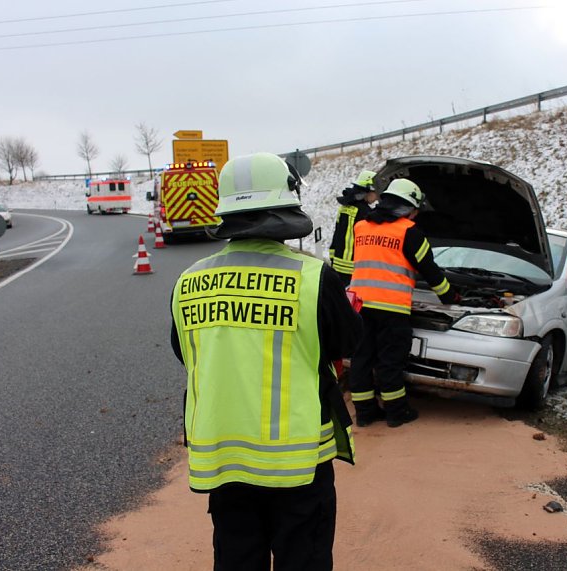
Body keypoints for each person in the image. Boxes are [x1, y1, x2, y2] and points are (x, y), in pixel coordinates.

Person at [170, 152, 362, 571]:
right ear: (286, 204)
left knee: (237, 560)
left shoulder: (188, 281)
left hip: (225, 462)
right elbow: (345, 344)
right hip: (299, 463)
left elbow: (185, 352)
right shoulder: (313, 278)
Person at [347, 178, 458, 428]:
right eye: (416, 210)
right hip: (391, 309)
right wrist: (450, 297)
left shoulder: (361, 227)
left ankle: (365, 413)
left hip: (360, 306)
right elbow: (430, 272)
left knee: (361, 360)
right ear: (409, 208)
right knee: (390, 361)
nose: (416, 215)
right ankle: (397, 412)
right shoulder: (409, 231)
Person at [327, 170, 378, 285]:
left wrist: (333, 257)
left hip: (338, 262)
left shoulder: (345, 207)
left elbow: (337, 234)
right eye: (376, 192)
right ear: (368, 191)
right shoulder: (366, 212)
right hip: (353, 267)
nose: (376, 197)